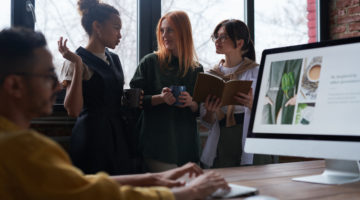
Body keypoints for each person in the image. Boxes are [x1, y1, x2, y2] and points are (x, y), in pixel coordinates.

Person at [0, 27, 229, 200]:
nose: (57, 85)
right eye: (48, 76)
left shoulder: (15, 142)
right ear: (15, 86)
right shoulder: (23, 147)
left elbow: (83, 183)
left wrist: (156, 179)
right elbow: (91, 194)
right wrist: (188, 192)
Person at [58, 0, 139, 175]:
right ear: (97, 26)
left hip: (118, 133)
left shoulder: (114, 58)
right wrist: (78, 65)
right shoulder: (75, 61)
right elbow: (73, 110)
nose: (120, 35)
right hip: (92, 136)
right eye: (116, 28)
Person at [130, 11, 203, 172]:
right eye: (162, 31)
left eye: (170, 30)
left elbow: (199, 109)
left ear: (183, 32)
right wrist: (160, 98)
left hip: (188, 145)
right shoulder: (150, 62)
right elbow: (131, 102)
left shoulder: (196, 69)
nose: (164, 35)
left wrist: (191, 103)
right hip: (157, 146)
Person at [200, 19, 259, 168]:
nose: (217, 41)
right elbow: (206, 121)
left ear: (239, 43)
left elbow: (270, 114)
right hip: (222, 143)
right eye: (216, 37)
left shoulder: (256, 71)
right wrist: (209, 111)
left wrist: (253, 105)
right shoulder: (210, 75)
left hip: (250, 141)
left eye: (223, 37)